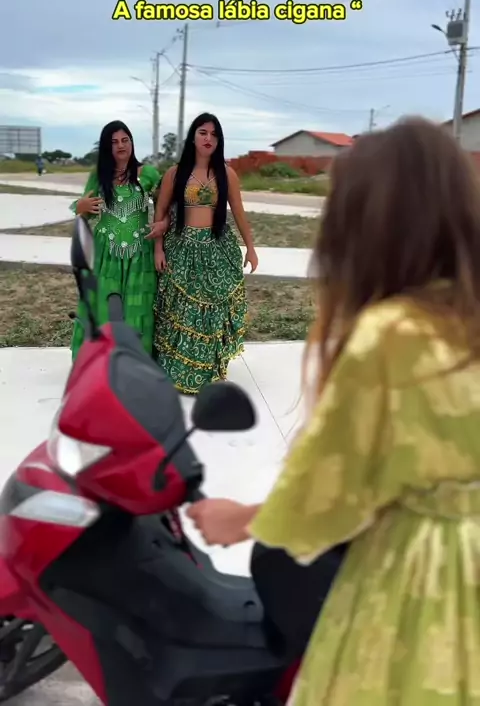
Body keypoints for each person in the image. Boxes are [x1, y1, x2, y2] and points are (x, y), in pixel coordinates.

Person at [188, 116, 480, 704]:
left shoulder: (391, 334)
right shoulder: (465, 321)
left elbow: (333, 488)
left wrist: (239, 519)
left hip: (420, 578)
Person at [147, 112, 258, 394]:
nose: (209, 139)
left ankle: (208, 371)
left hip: (215, 248)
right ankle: (177, 371)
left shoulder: (226, 174)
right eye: (203, 133)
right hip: (181, 248)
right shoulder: (175, 173)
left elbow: (239, 213)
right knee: (180, 311)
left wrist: (250, 248)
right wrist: (158, 249)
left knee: (211, 311)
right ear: (193, 137)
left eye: (214, 134)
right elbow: (160, 211)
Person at [70, 120, 161, 359]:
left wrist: (162, 227)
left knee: (137, 307)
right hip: (105, 254)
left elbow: (166, 206)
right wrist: (81, 206)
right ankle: (99, 361)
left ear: (132, 142)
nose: (121, 145)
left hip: (140, 253)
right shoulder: (99, 175)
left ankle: (135, 360)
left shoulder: (148, 174)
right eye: (114, 142)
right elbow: (84, 210)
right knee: (103, 305)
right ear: (106, 146)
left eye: (125, 140)